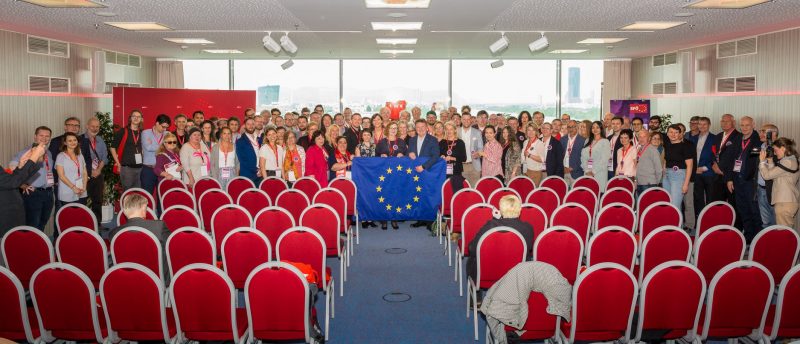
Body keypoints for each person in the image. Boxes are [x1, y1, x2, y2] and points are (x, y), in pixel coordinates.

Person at [466, 195, 534, 282]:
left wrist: (495, 219)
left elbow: (472, 248)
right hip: (517, 275)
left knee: (472, 259)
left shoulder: (490, 226)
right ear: (520, 210)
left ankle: (475, 293)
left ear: (501, 211)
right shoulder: (528, 228)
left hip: (489, 273)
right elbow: (529, 249)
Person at [109, 193, 169, 274]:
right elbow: (172, 246)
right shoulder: (159, 226)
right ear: (143, 208)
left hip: (127, 277)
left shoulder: (114, 233)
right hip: (157, 278)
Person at [726, 116, 762, 242]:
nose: (745, 128)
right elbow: (731, 160)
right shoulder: (737, 139)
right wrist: (729, 179)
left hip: (750, 182)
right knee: (743, 210)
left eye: (747, 125)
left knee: (754, 211)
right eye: (742, 125)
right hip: (737, 180)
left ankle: (757, 239)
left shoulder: (757, 141)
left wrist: (748, 177)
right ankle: (748, 237)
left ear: (753, 125)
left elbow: (754, 162)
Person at [1, 143, 47, 236]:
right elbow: (13, 182)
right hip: (4, 215)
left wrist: (20, 166)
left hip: (10, 213)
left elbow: (7, 180)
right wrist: (33, 158)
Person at [759, 138, 799, 230]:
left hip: (785, 202)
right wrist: (770, 161)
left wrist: (762, 162)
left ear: (783, 148)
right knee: (785, 230)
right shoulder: (790, 160)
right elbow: (774, 175)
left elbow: (767, 176)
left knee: (784, 231)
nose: (775, 153)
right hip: (785, 201)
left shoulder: (788, 162)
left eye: (776, 150)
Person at [408, 119, 441, 229]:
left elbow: (436, 156)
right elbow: (409, 153)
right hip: (415, 172)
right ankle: (420, 219)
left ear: (427, 127)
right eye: (418, 127)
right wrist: (410, 153)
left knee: (428, 195)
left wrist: (424, 166)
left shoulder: (433, 140)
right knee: (417, 195)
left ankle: (429, 220)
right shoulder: (412, 140)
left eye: (422, 127)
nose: (420, 129)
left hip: (427, 171)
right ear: (415, 128)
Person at [375, 122, 407, 230]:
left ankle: (394, 218)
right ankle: (384, 219)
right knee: (384, 195)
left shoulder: (401, 142)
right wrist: (381, 156)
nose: (393, 130)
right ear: (387, 129)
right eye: (391, 128)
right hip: (385, 173)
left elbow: (407, 158)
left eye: (395, 128)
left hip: (397, 173)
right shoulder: (382, 142)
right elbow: (375, 157)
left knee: (395, 195)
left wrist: (403, 155)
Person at [81, 117, 108, 225]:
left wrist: (98, 170)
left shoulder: (100, 140)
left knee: (98, 200)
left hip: (98, 174)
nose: (95, 128)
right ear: (87, 126)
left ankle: (97, 223)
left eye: (97, 126)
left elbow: (104, 157)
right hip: (85, 175)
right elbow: (79, 158)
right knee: (83, 200)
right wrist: (90, 171)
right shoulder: (80, 140)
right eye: (92, 126)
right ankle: (83, 223)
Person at [689, 116, 716, 221]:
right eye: (700, 124)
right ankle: (700, 219)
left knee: (710, 198)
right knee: (697, 198)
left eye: (704, 124)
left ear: (709, 125)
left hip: (709, 173)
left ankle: (710, 219)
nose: (702, 126)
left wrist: (705, 168)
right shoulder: (693, 138)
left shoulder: (715, 138)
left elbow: (716, 156)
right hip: (695, 173)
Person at [663, 124, 695, 210]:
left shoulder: (686, 146)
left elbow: (690, 166)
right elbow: (666, 160)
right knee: (669, 203)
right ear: (667, 134)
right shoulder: (667, 145)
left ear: (680, 134)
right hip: (666, 175)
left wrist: (686, 184)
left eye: (676, 132)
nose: (673, 134)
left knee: (675, 205)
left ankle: (675, 223)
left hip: (679, 176)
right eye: (671, 132)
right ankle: (675, 223)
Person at [111, 109, 144, 191]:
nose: (136, 118)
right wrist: (118, 163)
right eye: (134, 116)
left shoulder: (142, 133)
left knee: (138, 193)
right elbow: (112, 147)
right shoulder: (123, 131)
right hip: (127, 168)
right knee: (127, 193)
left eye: (138, 117)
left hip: (140, 168)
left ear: (141, 119)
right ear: (130, 118)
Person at [714, 114, 742, 203]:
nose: (724, 123)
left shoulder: (739, 136)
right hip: (717, 176)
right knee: (718, 204)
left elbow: (737, 158)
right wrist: (714, 165)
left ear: (733, 122)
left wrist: (725, 172)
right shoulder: (718, 136)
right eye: (723, 121)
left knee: (733, 205)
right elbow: (714, 153)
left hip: (731, 177)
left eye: (727, 121)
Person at [141, 114, 171, 195]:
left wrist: (156, 145)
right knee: (147, 195)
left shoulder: (167, 133)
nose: (164, 129)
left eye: (166, 127)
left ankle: (160, 208)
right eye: (163, 126)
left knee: (162, 195)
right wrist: (164, 145)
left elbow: (170, 148)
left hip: (162, 170)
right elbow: (148, 147)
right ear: (157, 123)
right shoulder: (145, 133)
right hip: (149, 169)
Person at [55, 132, 88, 205]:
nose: (73, 142)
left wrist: (84, 187)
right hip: (68, 191)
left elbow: (84, 172)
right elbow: (61, 176)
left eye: (74, 140)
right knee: (70, 215)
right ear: (65, 143)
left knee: (81, 214)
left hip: (81, 190)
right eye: (70, 141)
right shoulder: (61, 156)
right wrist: (73, 188)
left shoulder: (80, 154)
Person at [757, 124, 779, 227]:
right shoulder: (761, 146)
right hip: (760, 189)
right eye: (760, 131)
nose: (760, 134)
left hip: (773, 190)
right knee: (765, 223)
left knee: (775, 222)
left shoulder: (779, 148)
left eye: (764, 131)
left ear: (773, 134)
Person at [581, 121, 611, 193]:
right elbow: (583, 157)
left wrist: (593, 172)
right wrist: (587, 170)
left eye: (597, 127)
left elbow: (605, 160)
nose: (595, 129)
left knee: (597, 194)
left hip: (599, 173)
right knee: (587, 194)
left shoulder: (605, 141)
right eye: (593, 127)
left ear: (601, 129)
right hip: (587, 172)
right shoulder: (587, 140)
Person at [460, 112, 484, 187]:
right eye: (464, 119)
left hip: (474, 166)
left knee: (474, 190)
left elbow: (481, 147)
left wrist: (478, 154)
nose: (466, 121)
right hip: (461, 166)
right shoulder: (456, 131)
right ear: (461, 120)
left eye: (468, 119)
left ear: (471, 120)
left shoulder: (477, 132)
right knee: (462, 190)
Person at [235, 117, 262, 184]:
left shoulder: (260, 139)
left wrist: (261, 169)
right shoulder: (240, 141)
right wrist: (256, 170)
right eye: (248, 124)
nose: (251, 126)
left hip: (260, 173)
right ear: (245, 126)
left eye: (252, 124)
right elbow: (242, 160)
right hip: (248, 174)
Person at [635, 130, 662, 194]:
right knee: (641, 203)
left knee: (648, 203)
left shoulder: (653, 150)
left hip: (649, 183)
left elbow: (659, 169)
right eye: (640, 137)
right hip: (640, 182)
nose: (641, 139)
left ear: (649, 138)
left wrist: (655, 183)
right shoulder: (639, 150)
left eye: (644, 137)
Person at [561, 120, 585, 186]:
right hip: (564, 171)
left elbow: (584, 158)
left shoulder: (583, 140)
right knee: (564, 192)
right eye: (569, 127)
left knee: (575, 193)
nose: (571, 129)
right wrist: (563, 167)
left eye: (573, 127)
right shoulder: (562, 139)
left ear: (577, 127)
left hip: (576, 172)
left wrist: (574, 168)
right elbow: (559, 155)